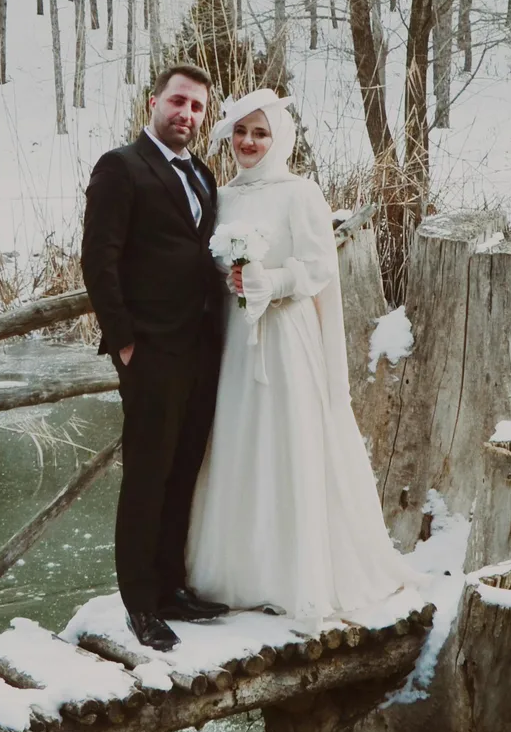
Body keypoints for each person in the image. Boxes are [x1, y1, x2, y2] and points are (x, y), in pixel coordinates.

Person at [186, 89, 415, 620]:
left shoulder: (300, 193)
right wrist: (232, 278)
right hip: (235, 337)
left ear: (280, 139)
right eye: (241, 132)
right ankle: (237, 571)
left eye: (260, 133)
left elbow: (318, 266)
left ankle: (293, 573)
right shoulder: (223, 196)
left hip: (285, 334)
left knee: (287, 438)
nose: (248, 142)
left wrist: (272, 282)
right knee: (238, 437)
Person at [79, 63, 232, 651]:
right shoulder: (121, 167)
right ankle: (140, 605)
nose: (186, 114)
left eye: (197, 107)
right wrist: (124, 340)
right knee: (147, 476)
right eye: (178, 101)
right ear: (153, 102)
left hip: (201, 347)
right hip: (150, 349)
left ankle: (171, 589)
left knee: (182, 469)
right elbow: (99, 259)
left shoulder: (203, 174)